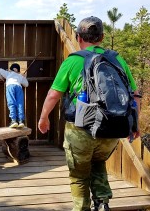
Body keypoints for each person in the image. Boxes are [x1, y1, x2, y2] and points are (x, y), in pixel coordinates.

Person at [38, 16, 141, 211]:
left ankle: (81, 208)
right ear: (101, 37)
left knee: (78, 175)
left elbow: (53, 95)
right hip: (111, 128)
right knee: (98, 161)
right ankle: (102, 203)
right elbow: (134, 95)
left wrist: (44, 118)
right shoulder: (117, 59)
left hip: (81, 130)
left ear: (78, 37)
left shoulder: (74, 61)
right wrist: (134, 125)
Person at [0, 63, 29, 128]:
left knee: (11, 103)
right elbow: (26, 84)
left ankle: (14, 121)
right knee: (20, 104)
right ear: (18, 70)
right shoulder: (20, 76)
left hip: (10, 87)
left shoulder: (8, 73)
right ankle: (21, 121)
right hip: (18, 87)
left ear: (11, 69)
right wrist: (24, 77)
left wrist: (3, 79)